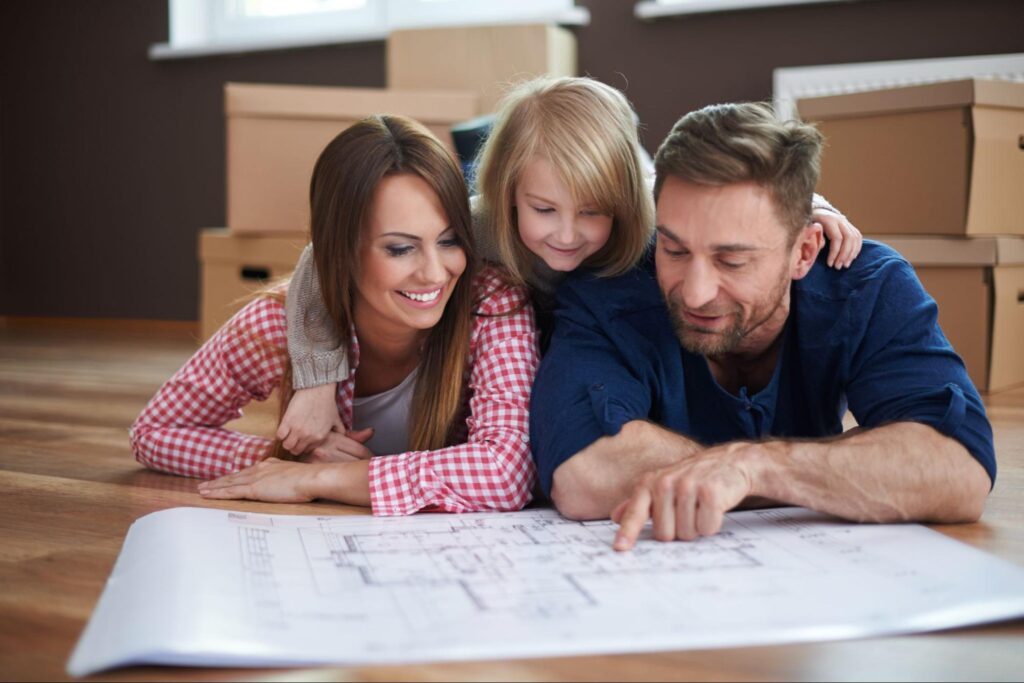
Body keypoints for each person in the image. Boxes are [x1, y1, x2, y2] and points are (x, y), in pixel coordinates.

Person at [276, 76, 863, 458]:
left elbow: (743, 197)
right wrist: (316, 377)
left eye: (592, 212)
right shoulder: (477, 225)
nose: (566, 234)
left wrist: (815, 205)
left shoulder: (650, 205)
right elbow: (317, 259)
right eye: (543, 210)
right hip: (514, 365)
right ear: (508, 192)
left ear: (623, 199)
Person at [530, 102, 995, 550]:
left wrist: (754, 467)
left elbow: (957, 467)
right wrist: (833, 469)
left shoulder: (867, 284)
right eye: (673, 250)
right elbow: (584, 475)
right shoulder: (608, 289)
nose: (695, 293)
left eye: (732, 260)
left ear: (804, 252)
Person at [130, 115, 538, 515]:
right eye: (399, 248)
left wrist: (322, 480)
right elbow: (153, 433)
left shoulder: (493, 304)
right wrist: (283, 459)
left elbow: (505, 472)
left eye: (449, 241)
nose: (435, 273)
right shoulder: (275, 323)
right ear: (341, 252)